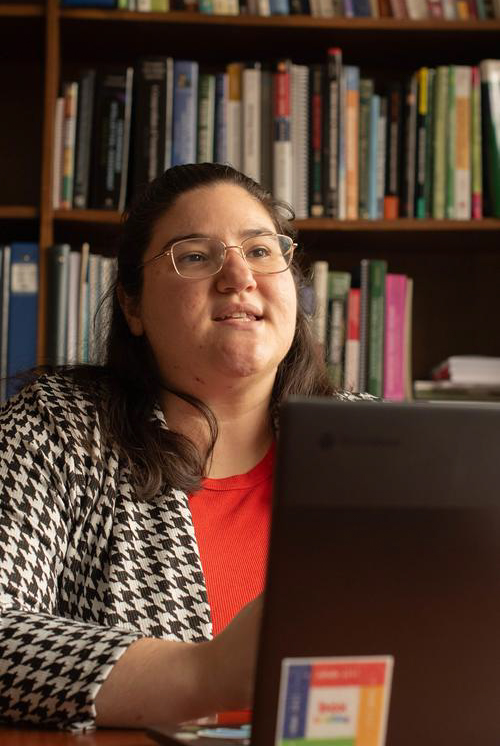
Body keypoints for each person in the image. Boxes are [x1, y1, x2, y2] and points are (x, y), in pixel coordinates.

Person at [0, 163, 369, 731]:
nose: (238, 276)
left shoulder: (371, 440)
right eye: (195, 256)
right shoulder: (58, 427)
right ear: (133, 306)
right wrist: (206, 673)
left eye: (261, 250)